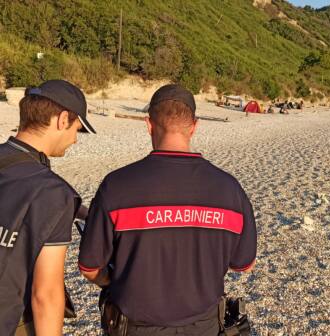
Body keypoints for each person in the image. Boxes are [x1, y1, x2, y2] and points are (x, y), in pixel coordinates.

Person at [78, 84, 257, 336]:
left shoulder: (116, 186)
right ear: (194, 127)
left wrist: (112, 280)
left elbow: (89, 266)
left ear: (149, 125)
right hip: (204, 326)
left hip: (134, 327)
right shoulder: (229, 189)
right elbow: (243, 264)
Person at [0, 80, 96, 335]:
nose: (75, 140)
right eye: (78, 129)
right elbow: (46, 295)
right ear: (63, 119)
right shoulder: (54, 193)